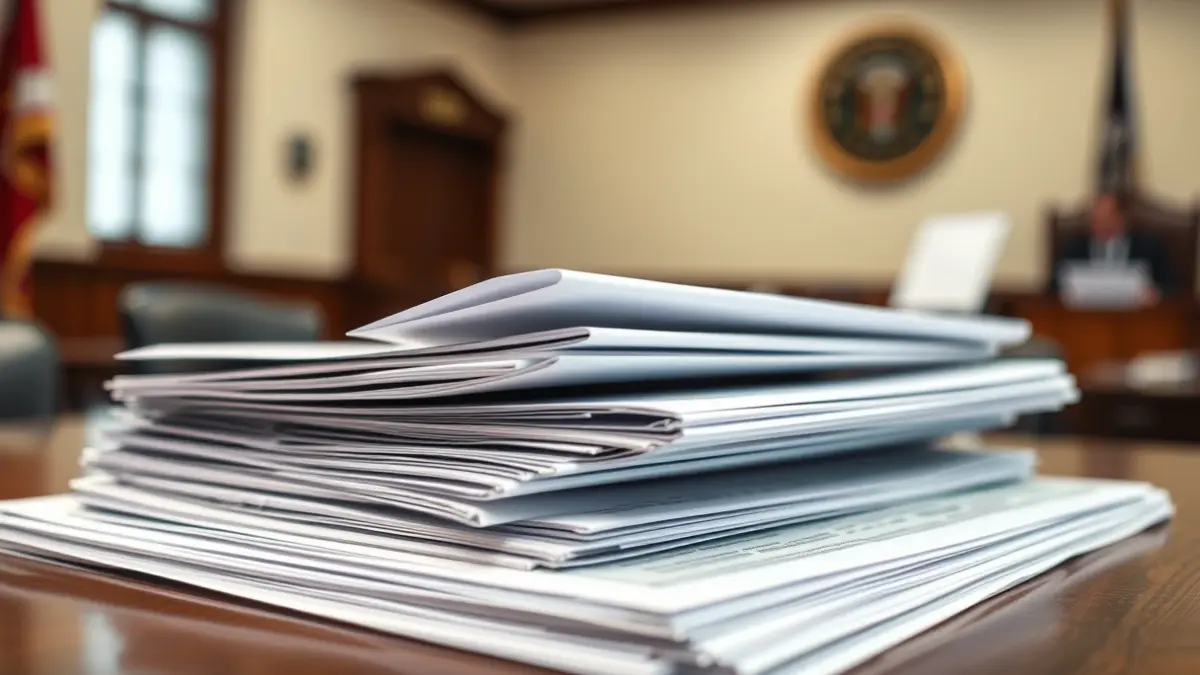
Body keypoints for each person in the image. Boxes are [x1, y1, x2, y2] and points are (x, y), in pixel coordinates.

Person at [1050, 192, 1174, 305]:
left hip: (1136, 320)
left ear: (1121, 219)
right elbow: (1052, 287)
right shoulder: (1074, 247)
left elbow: (1172, 287)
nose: (1097, 224)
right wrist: (1063, 293)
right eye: (1094, 219)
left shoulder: (1147, 247)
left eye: (1104, 219)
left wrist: (1155, 294)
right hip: (1084, 319)